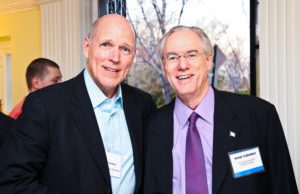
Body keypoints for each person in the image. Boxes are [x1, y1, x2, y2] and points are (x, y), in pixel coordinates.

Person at [0, 14, 156, 194]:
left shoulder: (143, 105)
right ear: (87, 47)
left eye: (125, 49)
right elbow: (12, 182)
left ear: (133, 57)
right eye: (106, 45)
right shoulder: (45, 105)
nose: (115, 57)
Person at [143, 26, 298, 194]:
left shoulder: (259, 116)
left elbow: (284, 187)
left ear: (209, 60)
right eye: (172, 57)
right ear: (164, 65)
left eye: (192, 55)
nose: (182, 65)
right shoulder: (150, 128)